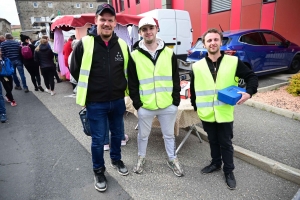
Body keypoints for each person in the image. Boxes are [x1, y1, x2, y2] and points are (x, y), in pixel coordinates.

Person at [70, 3, 133, 192]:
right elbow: (75, 69)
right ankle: (98, 170)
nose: (106, 23)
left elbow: (127, 71)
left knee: (118, 135)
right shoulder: (84, 44)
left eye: (110, 20)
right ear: (96, 21)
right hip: (95, 103)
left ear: (115, 23)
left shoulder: (122, 44)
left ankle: (116, 160)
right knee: (98, 140)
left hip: (117, 101)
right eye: (103, 19)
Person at [190, 28, 259, 190]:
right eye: (209, 40)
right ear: (204, 44)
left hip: (224, 112)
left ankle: (229, 171)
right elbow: (194, 90)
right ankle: (215, 163)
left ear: (221, 42)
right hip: (206, 113)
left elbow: (251, 77)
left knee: (225, 143)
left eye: (215, 40)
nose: (212, 43)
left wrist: (249, 93)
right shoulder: (197, 66)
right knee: (213, 141)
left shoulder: (233, 61)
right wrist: (195, 107)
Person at [128, 17, 183, 177]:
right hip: (145, 106)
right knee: (143, 135)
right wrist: (137, 104)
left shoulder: (169, 53)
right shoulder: (134, 56)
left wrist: (175, 101)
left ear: (157, 29)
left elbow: (175, 78)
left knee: (169, 135)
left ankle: (172, 159)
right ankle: (141, 157)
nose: (148, 31)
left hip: (167, 105)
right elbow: (132, 82)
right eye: (144, 29)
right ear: (140, 32)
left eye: (151, 28)